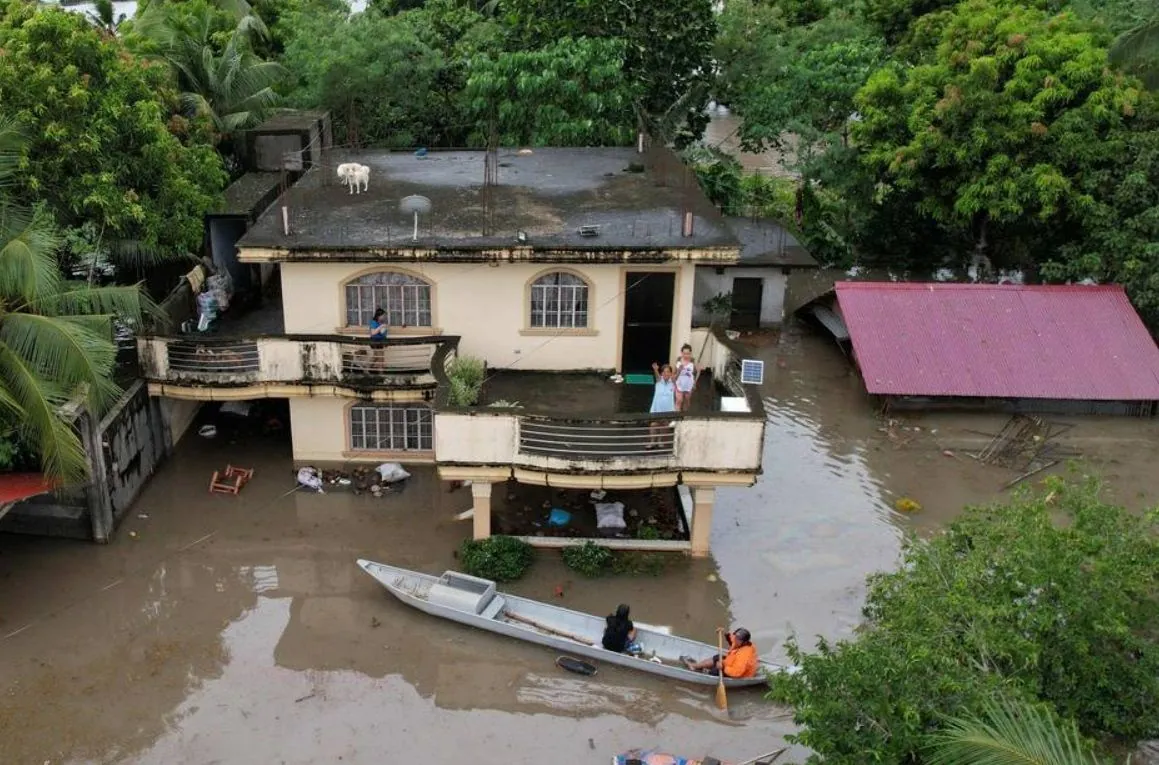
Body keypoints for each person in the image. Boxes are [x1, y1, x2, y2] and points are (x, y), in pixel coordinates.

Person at [683, 627, 758, 678]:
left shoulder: (744, 654)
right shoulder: (739, 642)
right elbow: (732, 640)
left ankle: (706, 672)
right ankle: (695, 666)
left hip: (741, 674)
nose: (735, 639)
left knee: (715, 672)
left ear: (744, 642)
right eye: (735, 637)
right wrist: (725, 633)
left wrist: (724, 667)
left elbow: (737, 672)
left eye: (738, 639)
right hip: (732, 662)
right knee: (717, 657)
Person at [648, 362, 676, 449]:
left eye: (668, 372)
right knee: (653, 425)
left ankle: (660, 440)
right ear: (662, 374)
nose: (666, 374)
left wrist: (680, 369)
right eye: (664, 372)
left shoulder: (672, 383)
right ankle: (652, 442)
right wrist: (656, 370)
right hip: (657, 409)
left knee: (664, 425)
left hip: (667, 410)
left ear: (671, 373)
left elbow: (677, 376)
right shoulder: (659, 382)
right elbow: (657, 376)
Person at [673, 343, 699, 412]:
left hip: (688, 385)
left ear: (690, 353)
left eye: (688, 353)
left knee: (686, 402)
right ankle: (676, 418)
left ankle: (684, 417)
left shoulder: (692, 361)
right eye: (684, 353)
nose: (686, 355)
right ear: (681, 353)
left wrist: (694, 383)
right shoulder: (678, 361)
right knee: (679, 400)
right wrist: (673, 383)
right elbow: (674, 373)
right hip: (679, 384)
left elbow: (695, 374)